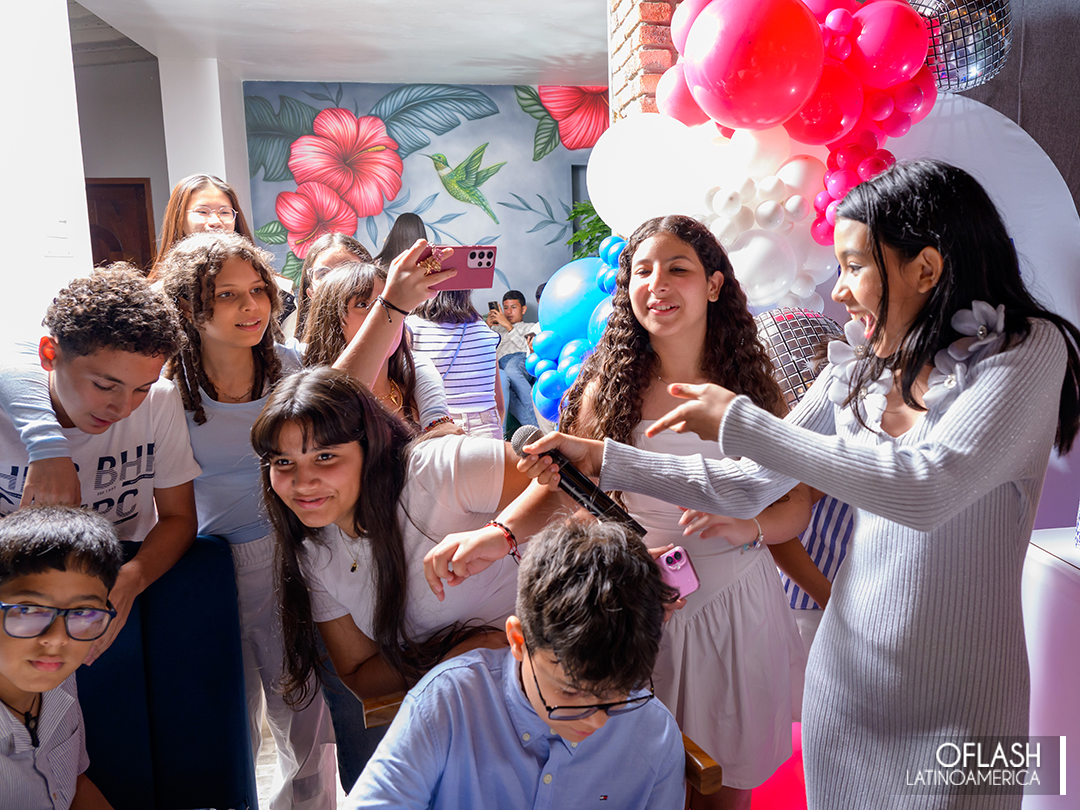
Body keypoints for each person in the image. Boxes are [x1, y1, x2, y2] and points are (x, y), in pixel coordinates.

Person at [519, 160, 1080, 810]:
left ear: (925, 269)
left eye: (854, 266)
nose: (839, 290)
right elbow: (747, 486)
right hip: (846, 679)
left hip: (965, 700)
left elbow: (926, 490)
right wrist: (604, 459)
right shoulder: (859, 368)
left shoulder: (1026, 351)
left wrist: (743, 423)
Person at [556, 215, 810, 810]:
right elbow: (578, 506)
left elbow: (796, 504)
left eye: (678, 269)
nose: (658, 285)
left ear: (714, 285)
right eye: (642, 271)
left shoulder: (752, 391)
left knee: (728, 788)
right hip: (640, 609)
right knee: (634, 788)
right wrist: (623, 553)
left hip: (738, 610)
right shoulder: (607, 391)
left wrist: (751, 525)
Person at [250, 366, 564, 712]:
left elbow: (572, 488)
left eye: (324, 457)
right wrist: (453, 658)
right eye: (283, 462)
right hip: (480, 705)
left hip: (571, 675)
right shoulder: (314, 548)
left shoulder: (435, 468)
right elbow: (359, 674)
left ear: (369, 447)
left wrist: (502, 533)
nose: (302, 482)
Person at [346, 516, 685, 809]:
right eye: (570, 692)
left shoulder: (654, 734)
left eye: (618, 694)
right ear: (519, 640)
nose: (597, 720)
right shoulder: (447, 703)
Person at [0, 267, 200, 664]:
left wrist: (133, 578)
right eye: (105, 386)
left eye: (141, 388)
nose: (123, 408)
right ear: (49, 355)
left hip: (117, 589)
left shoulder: (161, 400)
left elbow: (179, 518)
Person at [0, 506, 123, 809]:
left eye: (83, 612)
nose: (57, 638)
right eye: (28, 610)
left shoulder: (58, 676)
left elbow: (73, 784)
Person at [301, 261, 455, 435]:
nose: (383, 316)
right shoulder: (312, 399)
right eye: (362, 304)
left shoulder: (416, 386)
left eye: (393, 304)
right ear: (332, 321)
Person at [150, 173, 297, 325]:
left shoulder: (279, 290)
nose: (215, 221)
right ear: (179, 218)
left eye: (225, 212)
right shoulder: (157, 298)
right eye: (202, 212)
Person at [407, 291, 503, 438]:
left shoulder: (411, 327)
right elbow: (499, 406)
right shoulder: (485, 330)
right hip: (487, 424)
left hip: (435, 425)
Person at [292, 233, 374, 340]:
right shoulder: (299, 350)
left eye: (349, 268)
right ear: (311, 294)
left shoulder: (394, 334)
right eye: (323, 275)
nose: (336, 282)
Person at [486, 289, 539, 432]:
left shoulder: (530, 327)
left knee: (511, 370)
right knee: (503, 383)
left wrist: (508, 327)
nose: (509, 312)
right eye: (506, 308)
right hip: (500, 365)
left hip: (519, 360)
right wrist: (487, 326)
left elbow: (526, 348)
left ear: (523, 309)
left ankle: (539, 415)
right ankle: (535, 430)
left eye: (513, 307)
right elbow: (482, 349)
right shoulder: (496, 330)